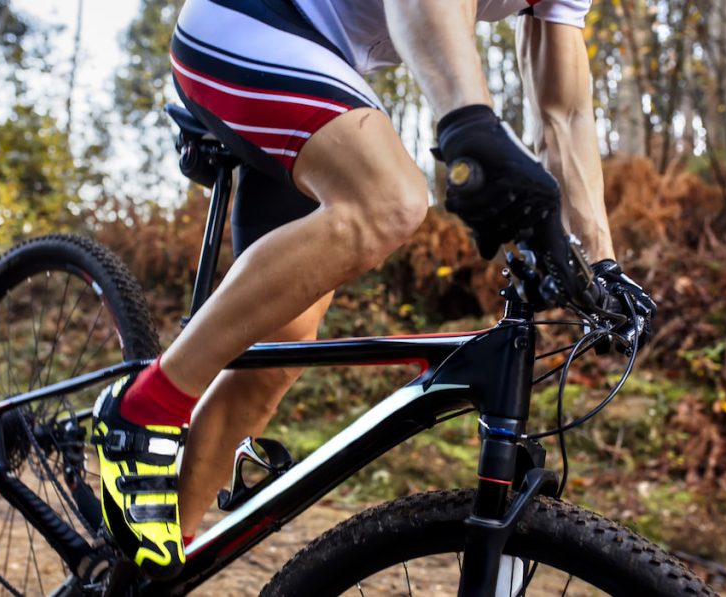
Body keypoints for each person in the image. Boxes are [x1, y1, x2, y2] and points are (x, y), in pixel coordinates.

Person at [90, 0, 656, 579]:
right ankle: (143, 408)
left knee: (272, 362)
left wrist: (602, 263)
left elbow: (565, 114)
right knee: (389, 200)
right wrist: (468, 123)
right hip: (247, 22)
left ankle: (140, 576)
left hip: (325, 64)